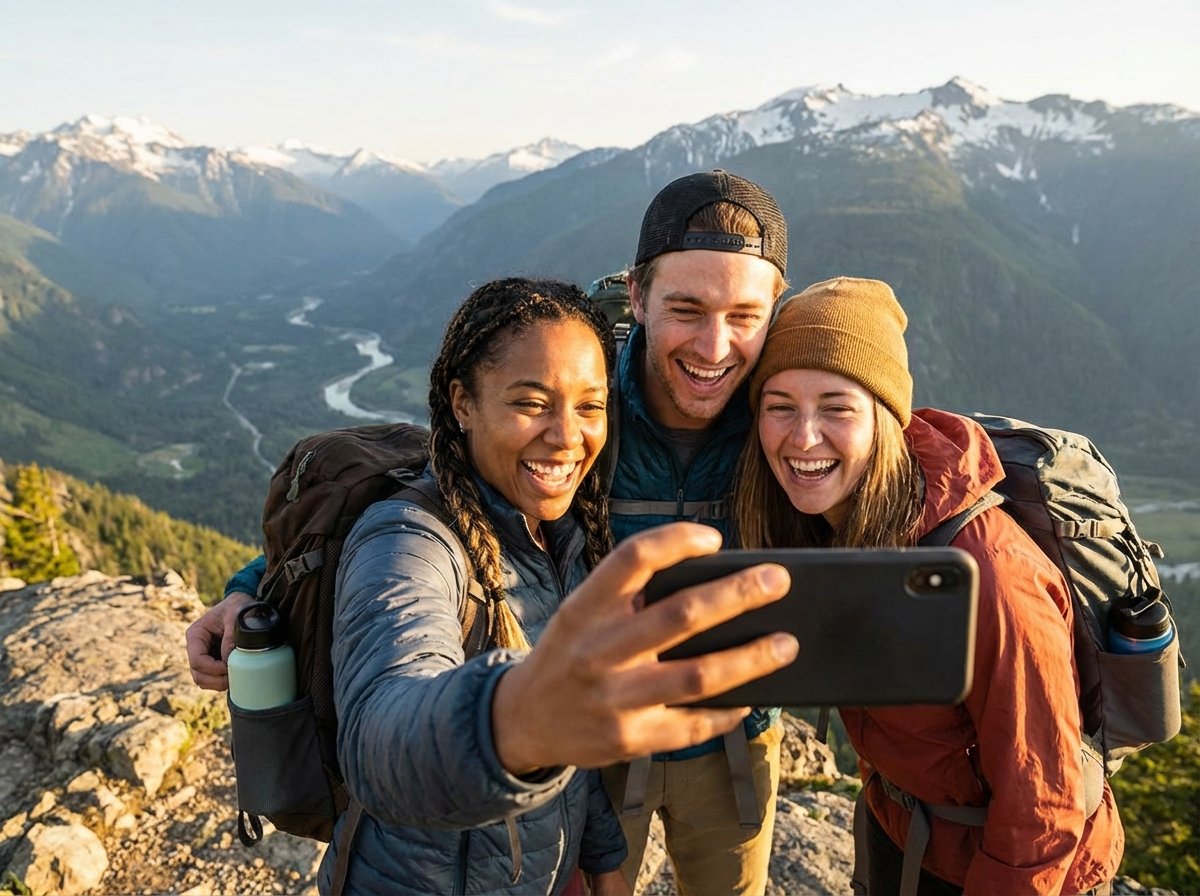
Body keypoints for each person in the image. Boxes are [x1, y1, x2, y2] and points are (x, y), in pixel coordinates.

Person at [189, 170, 794, 894]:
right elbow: (414, 530)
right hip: (595, 739)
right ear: (637, 297)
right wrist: (252, 591)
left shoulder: (787, 416)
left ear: (773, 313)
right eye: (687, 308)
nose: (713, 346)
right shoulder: (590, 395)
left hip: (722, 740)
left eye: (744, 316)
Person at [731, 276, 1124, 894]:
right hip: (903, 829)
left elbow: (1042, 803)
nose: (802, 437)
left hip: (1004, 863)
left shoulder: (986, 573)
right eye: (780, 406)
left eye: (837, 407)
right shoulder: (837, 525)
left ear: (887, 419)